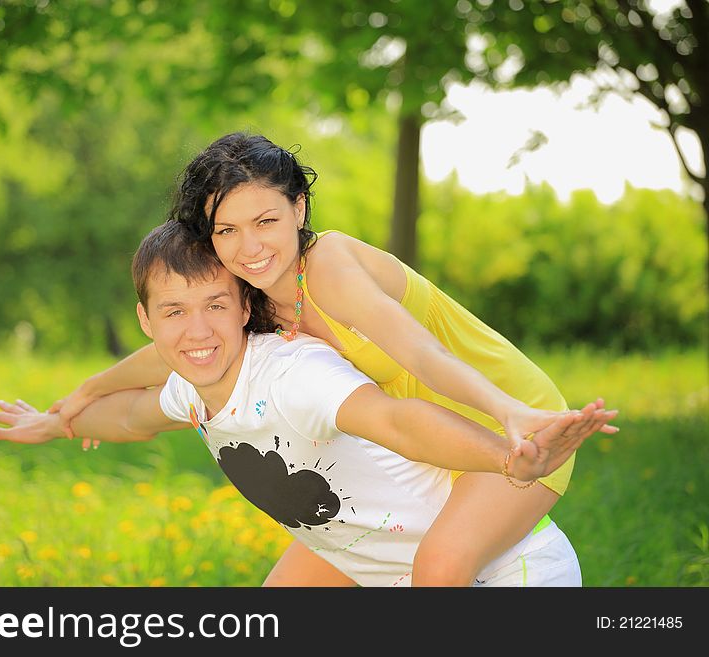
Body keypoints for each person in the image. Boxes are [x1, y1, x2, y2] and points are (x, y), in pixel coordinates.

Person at [47, 133, 619, 586]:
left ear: (298, 209)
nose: (250, 247)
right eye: (228, 230)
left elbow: (420, 352)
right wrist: (86, 394)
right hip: (429, 443)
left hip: (508, 421)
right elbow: (174, 350)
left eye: (266, 221)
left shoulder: (329, 267)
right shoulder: (257, 298)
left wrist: (512, 412)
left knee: (440, 567)